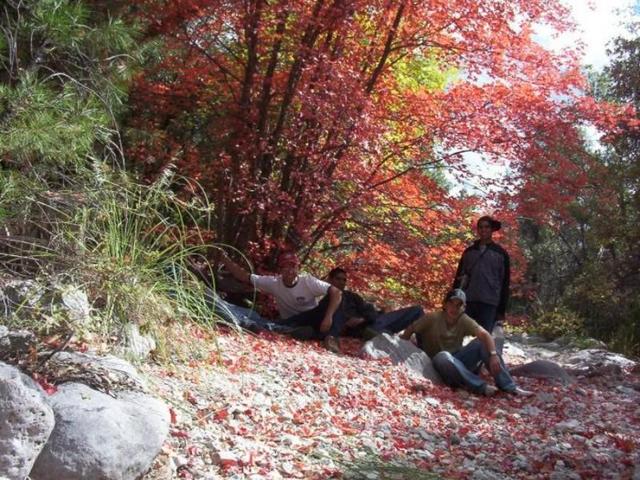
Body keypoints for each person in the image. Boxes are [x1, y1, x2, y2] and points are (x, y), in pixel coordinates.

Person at [401, 289, 531, 396]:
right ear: (445, 304)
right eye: (452, 303)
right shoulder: (433, 318)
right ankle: (481, 386)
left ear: (464, 308)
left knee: (481, 343)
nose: (454, 308)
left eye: (459, 305)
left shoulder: (463, 319)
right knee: (444, 356)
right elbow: (411, 328)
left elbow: (485, 335)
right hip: (437, 363)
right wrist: (403, 348)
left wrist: (493, 355)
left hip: (458, 360)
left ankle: (510, 387)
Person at [219, 250, 345, 352]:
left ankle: (331, 337)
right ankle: (308, 334)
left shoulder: (308, 281)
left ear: (297, 268)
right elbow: (245, 277)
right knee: (271, 323)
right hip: (291, 322)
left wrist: (328, 317)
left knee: (340, 297)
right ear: (280, 269)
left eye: (293, 267)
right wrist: (224, 259)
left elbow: (336, 292)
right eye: (285, 267)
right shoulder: (274, 283)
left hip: (313, 317)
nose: (290, 271)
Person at [327, 267, 424, 338]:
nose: (342, 282)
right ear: (330, 279)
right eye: (338, 279)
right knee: (383, 334)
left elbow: (369, 309)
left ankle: (424, 347)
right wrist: (346, 325)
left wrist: (363, 318)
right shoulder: (324, 298)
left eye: (344, 280)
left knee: (417, 310)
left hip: (374, 321)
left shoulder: (351, 296)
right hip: (363, 331)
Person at [453, 215, 510, 333]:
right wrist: (452, 301)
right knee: (460, 335)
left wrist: (501, 311)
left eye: (487, 227)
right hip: (468, 301)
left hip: (489, 303)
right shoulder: (469, 252)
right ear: (477, 229)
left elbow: (505, 283)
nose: (483, 230)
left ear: (492, 229)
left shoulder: (500, 254)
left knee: (484, 338)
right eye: (480, 227)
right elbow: (458, 278)